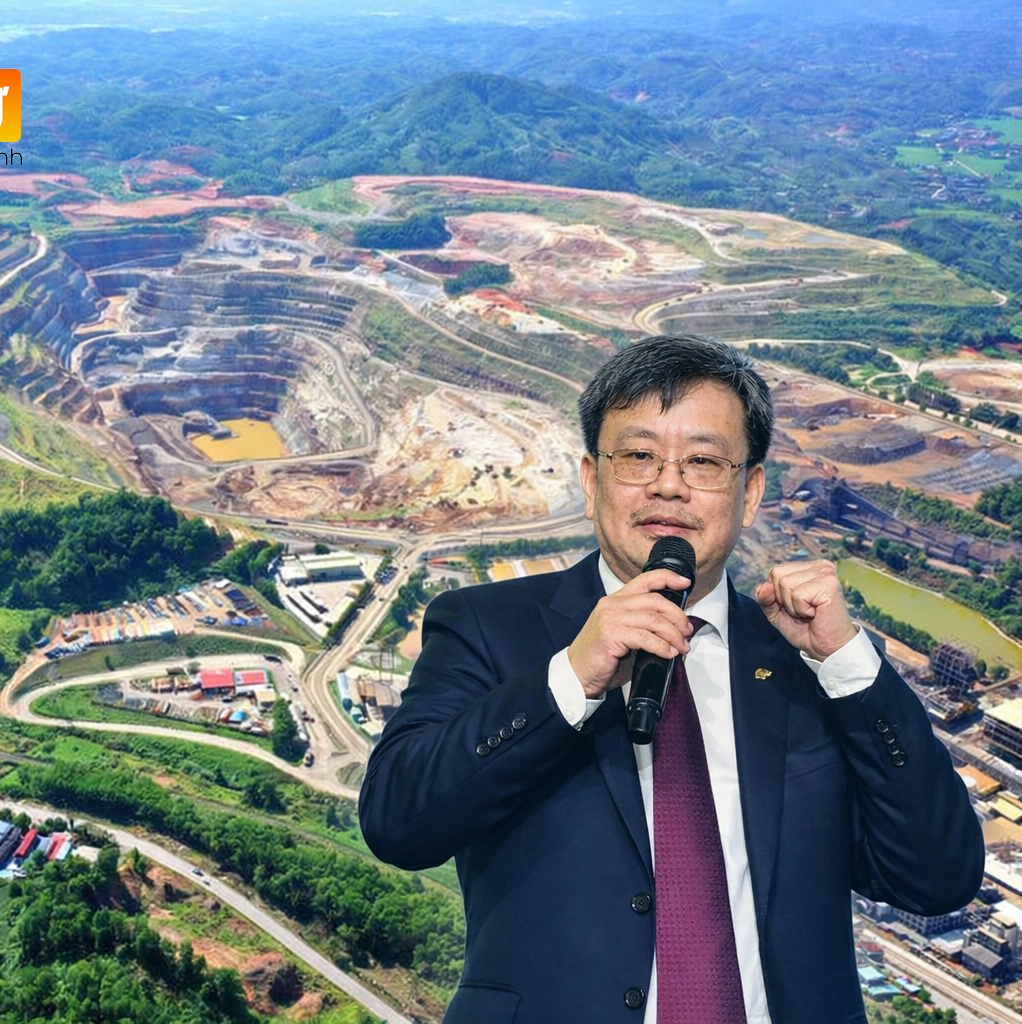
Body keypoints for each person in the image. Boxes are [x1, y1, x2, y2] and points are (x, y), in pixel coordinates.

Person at [359, 334, 983, 1024]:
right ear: (592, 480)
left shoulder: (808, 664)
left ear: (749, 493)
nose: (668, 485)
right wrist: (573, 677)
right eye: (639, 457)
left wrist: (847, 664)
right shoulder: (487, 626)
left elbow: (936, 877)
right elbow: (398, 823)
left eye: (703, 462)